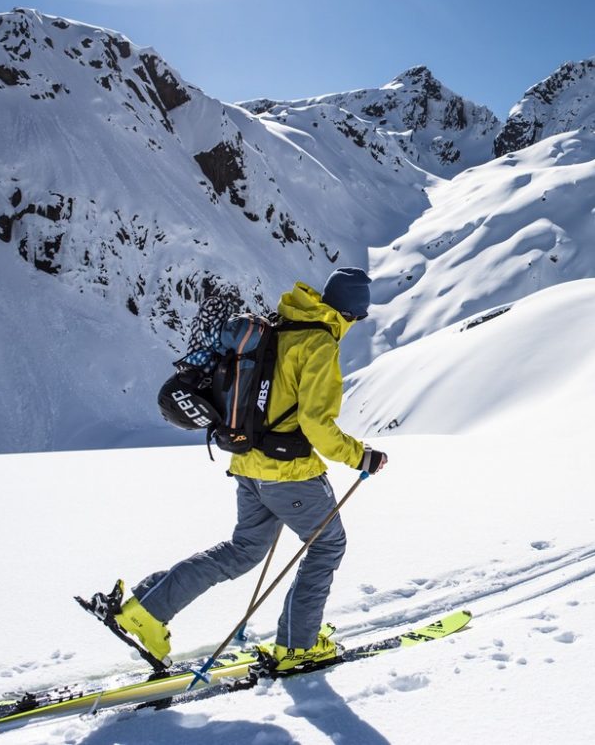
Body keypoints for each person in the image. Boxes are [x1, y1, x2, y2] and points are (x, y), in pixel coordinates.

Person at [97, 267, 388, 673]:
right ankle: (298, 647)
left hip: (247, 465)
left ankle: (145, 612)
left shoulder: (282, 324)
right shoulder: (319, 342)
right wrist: (361, 456)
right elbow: (317, 425)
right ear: (353, 313)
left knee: (242, 550)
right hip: (288, 474)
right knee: (325, 545)